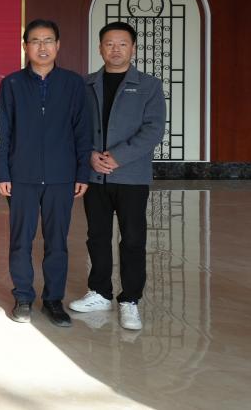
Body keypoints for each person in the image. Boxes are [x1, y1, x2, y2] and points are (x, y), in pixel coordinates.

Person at [0, 19, 92, 327]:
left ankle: (53, 300)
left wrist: (82, 173)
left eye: (48, 40)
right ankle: (23, 297)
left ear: (58, 45)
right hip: (21, 175)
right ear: (26, 47)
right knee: (20, 240)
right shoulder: (12, 83)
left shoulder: (73, 84)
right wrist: (2, 173)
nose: (42, 47)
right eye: (35, 41)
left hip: (61, 176)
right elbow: (3, 132)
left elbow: (83, 131)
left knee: (57, 241)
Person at [70, 21, 166, 330]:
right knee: (97, 236)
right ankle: (99, 292)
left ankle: (130, 300)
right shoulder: (85, 85)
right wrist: (89, 155)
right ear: (100, 48)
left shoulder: (149, 86)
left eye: (122, 44)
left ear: (133, 48)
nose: (115, 49)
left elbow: (153, 129)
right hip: (95, 175)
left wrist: (118, 156)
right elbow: (75, 125)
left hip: (131, 176)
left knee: (133, 239)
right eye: (109, 44)